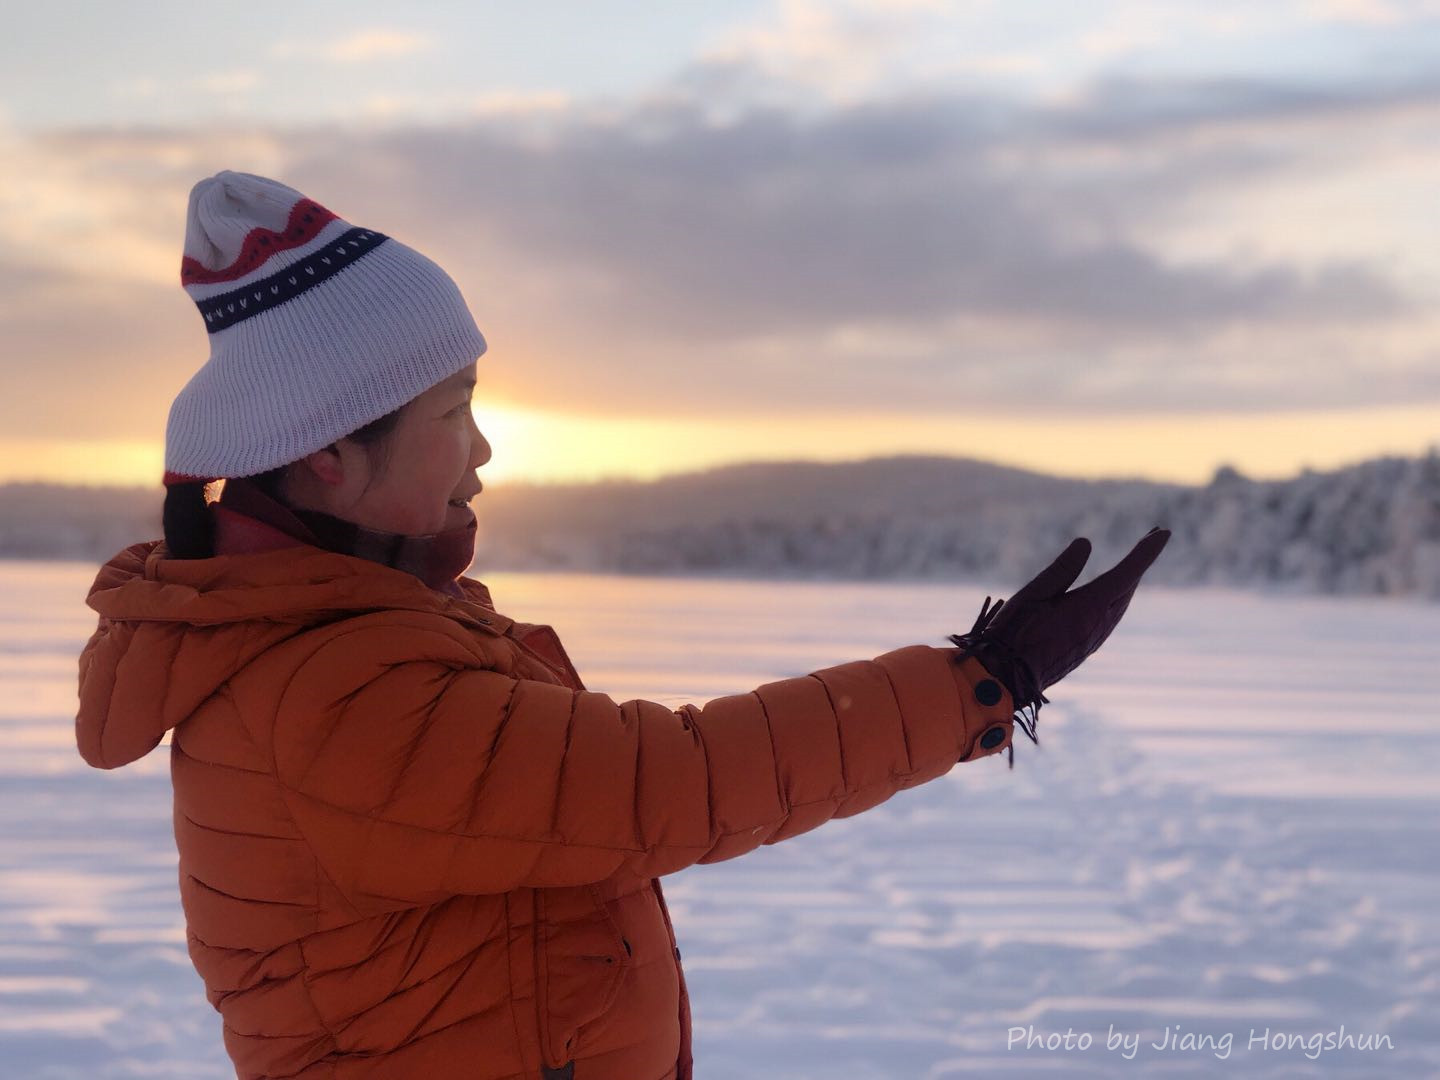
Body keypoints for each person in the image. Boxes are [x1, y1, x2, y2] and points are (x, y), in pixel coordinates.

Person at [75, 171, 1169, 1080]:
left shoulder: (351, 632)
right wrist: (979, 679)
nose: (484, 451)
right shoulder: (336, 694)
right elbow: (667, 782)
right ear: (327, 454)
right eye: (454, 412)